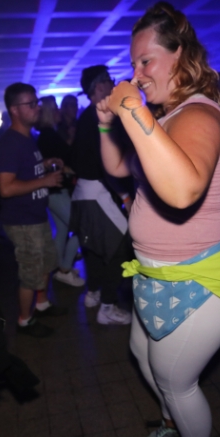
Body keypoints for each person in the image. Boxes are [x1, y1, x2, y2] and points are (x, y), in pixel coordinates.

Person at [97, 1, 220, 437]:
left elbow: (184, 190)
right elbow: (116, 167)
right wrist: (107, 120)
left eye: (146, 61)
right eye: (133, 63)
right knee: (142, 355)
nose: (137, 73)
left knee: (175, 377)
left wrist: (131, 106)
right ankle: (173, 420)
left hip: (202, 277)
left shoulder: (199, 115)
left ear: (181, 55)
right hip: (155, 272)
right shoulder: (165, 117)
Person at [0, 83, 67, 338]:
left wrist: (44, 165)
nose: (37, 108)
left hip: (36, 216)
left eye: (37, 102)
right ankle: (25, 320)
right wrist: (45, 181)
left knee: (45, 262)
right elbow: (6, 188)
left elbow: (25, 171)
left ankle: (42, 304)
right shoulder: (9, 143)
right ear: (14, 110)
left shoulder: (27, 138)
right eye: (31, 104)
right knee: (31, 271)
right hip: (22, 221)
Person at [69, 65, 134, 325]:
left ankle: (93, 293)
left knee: (93, 247)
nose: (113, 84)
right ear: (99, 86)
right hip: (98, 191)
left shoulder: (85, 116)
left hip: (83, 192)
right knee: (120, 245)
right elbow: (107, 165)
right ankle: (108, 306)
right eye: (109, 80)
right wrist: (125, 196)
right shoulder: (100, 117)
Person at [35, 96, 85, 288]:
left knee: (63, 230)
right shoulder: (49, 135)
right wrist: (68, 167)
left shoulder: (48, 134)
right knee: (82, 227)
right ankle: (64, 270)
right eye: (55, 109)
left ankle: (58, 268)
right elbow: (62, 159)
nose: (59, 112)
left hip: (54, 190)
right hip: (56, 190)